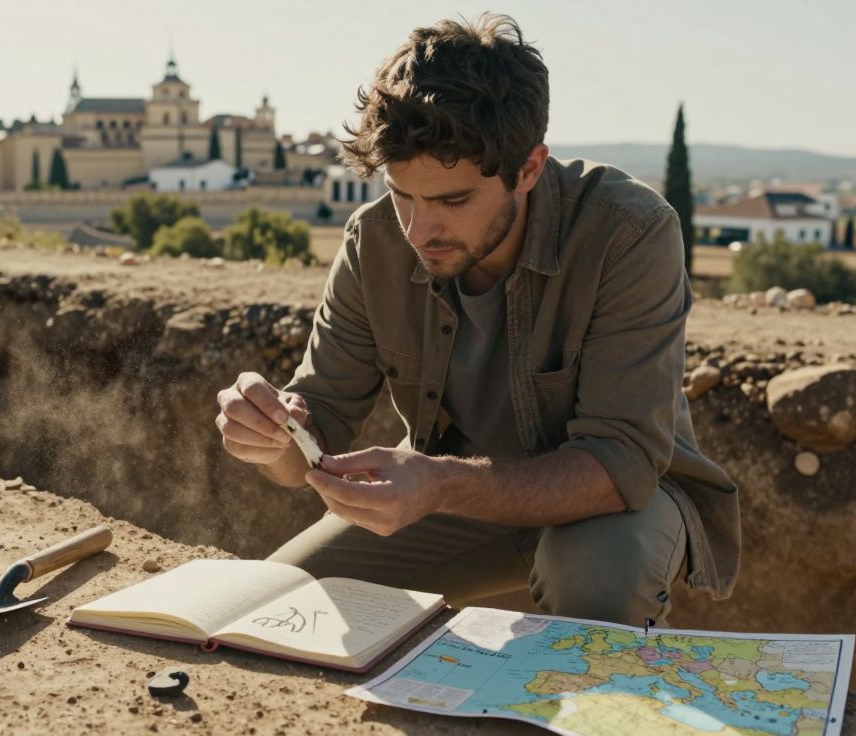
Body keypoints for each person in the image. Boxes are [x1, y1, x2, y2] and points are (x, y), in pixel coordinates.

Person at [214, 13, 739, 627]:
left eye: (452, 200)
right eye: (402, 194)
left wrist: (437, 484)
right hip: (453, 497)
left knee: (595, 577)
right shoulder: (374, 242)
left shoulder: (630, 232)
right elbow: (316, 426)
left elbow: (619, 462)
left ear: (530, 169)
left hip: (616, 503)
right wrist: (274, 436)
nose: (418, 229)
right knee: (282, 605)